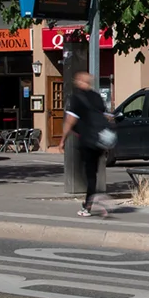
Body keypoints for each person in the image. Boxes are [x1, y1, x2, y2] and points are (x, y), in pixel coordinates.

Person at [64, 71, 112, 219]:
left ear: (80, 82)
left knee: (85, 173)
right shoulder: (97, 97)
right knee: (93, 173)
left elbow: (70, 120)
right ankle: (89, 203)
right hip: (100, 140)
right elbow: (106, 117)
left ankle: (93, 199)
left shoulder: (76, 98)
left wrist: (62, 140)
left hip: (87, 141)